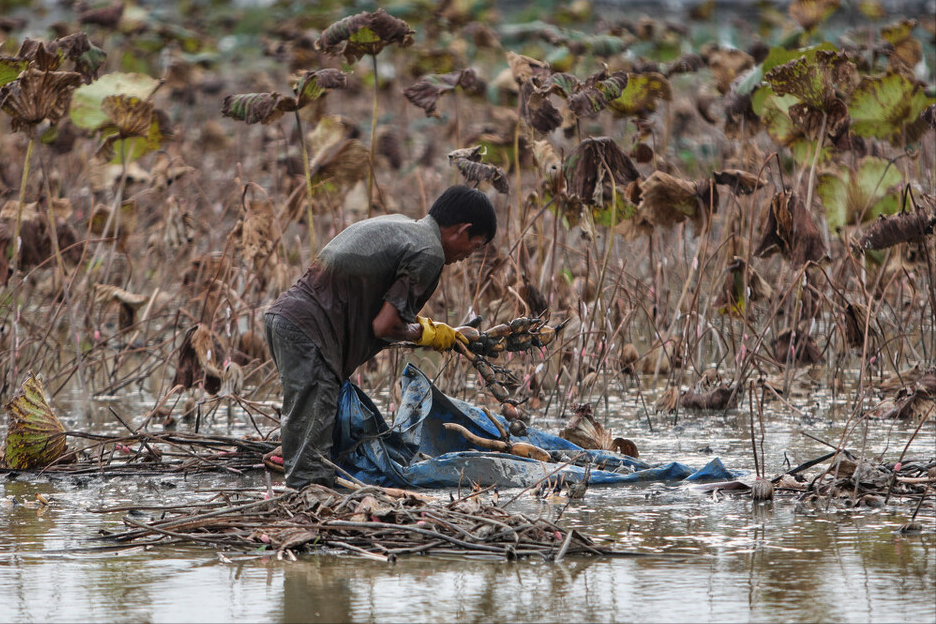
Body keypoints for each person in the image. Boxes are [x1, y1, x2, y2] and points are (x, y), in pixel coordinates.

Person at [264, 185, 497, 490]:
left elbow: (382, 310)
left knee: (308, 425)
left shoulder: (403, 227)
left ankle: (292, 463)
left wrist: (444, 333)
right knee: (311, 473)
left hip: (285, 320)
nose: (469, 256)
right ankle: (307, 522)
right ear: (462, 231)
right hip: (310, 333)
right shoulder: (429, 253)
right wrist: (428, 336)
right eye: (476, 246)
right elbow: (385, 326)